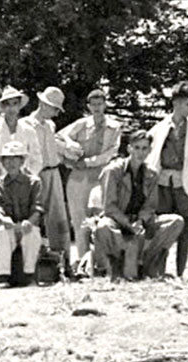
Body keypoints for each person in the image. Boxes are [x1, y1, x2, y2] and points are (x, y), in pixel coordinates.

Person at [93, 130, 184, 280]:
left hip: (140, 221)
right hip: (117, 219)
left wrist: (141, 221)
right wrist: (128, 224)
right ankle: (115, 265)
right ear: (129, 149)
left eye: (144, 148)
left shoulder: (151, 174)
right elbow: (109, 207)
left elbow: (150, 206)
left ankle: (150, 263)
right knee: (103, 227)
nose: (140, 152)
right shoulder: (113, 171)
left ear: (149, 150)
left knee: (175, 221)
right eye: (137, 148)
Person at [147, 82, 188, 277]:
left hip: (187, 183)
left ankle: (180, 272)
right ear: (175, 103)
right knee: (164, 228)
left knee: (185, 229)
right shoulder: (159, 128)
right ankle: (159, 271)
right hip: (163, 183)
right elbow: (151, 158)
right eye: (187, 104)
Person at [59, 89, 122, 274]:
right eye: (93, 105)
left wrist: (88, 162)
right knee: (79, 221)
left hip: (101, 176)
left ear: (105, 104)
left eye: (100, 104)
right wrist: (70, 149)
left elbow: (112, 152)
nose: (96, 108)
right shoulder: (81, 124)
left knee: (99, 219)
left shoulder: (114, 126)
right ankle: (83, 264)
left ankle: (101, 263)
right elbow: (59, 136)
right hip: (78, 176)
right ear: (88, 107)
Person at [20, 86, 70, 276]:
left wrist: (67, 149)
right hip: (35, 174)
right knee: (33, 216)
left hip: (53, 172)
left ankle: (63, 262)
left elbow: (53, 146)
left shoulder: (51, 126)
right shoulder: (25, 125)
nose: (56, 113)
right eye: (54, 108)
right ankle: (30, 263)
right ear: (43, 104)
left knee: (58, 218)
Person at [0, 141, 44, 286]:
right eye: (6, 159)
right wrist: (3, 219)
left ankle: (29, 275)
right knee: (2, 232)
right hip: (6, 226)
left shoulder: (34, 182)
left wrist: (30, 222)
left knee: (33, 235)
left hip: (26, 224)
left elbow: (38, 208)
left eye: (14, 159)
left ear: (22, 161)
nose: (10, 163)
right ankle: (2, 276)